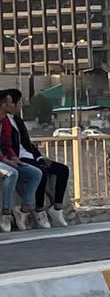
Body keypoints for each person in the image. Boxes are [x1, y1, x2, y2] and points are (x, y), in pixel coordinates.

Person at [4, 88, 70, 227]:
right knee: (41, 172)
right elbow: (6, 145)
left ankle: (56, 208)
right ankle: (39, 210)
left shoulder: (18, 120)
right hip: (19, 157)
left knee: (63, 170)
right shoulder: (4, 122)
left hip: (30, 155)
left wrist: (40, 157)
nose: (21, 106)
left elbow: (27, 143)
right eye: (19, 103)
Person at [0, 90, 43, 231]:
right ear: (3, 104)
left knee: (35, 173)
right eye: (11, 102)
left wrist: (13, 157)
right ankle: (5, 212)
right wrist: (6, 161)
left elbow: (7, 144)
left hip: (5, 159)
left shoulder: (5, 121)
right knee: (12, 173)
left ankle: (23, 210)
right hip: (2, 161)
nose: (13, 105)